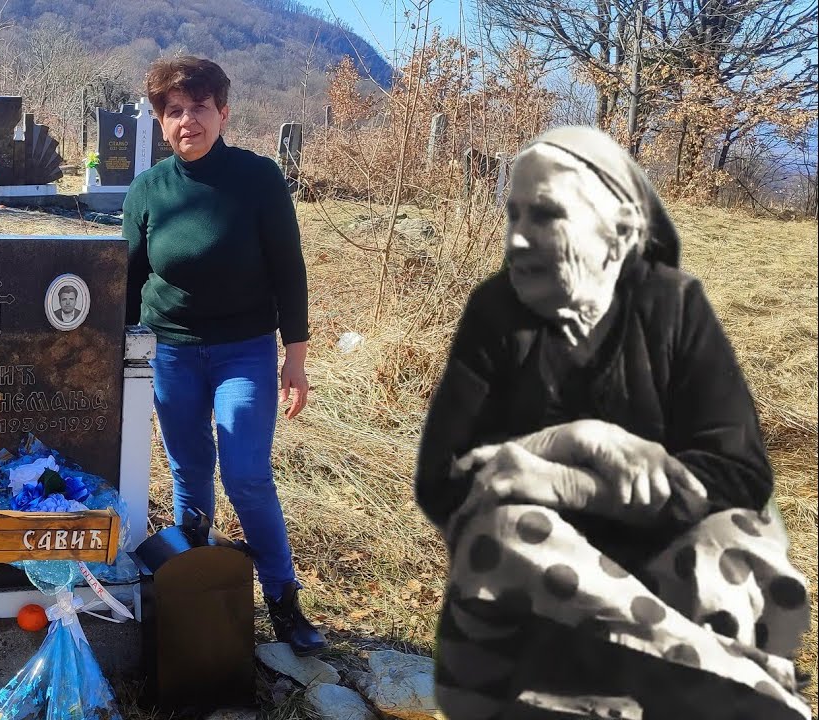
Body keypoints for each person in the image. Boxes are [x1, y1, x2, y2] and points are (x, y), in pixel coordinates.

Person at [416, 126, 810, 718]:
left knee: (739, 540)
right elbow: (442, 481)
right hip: (526, 606)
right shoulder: (495, 315)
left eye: (545, 215)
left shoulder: (675, 308)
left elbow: (739, 471)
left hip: (660, 580)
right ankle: (733, 678)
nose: (518, 238)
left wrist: (574, 483)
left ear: (620, 232)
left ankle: (699, 680)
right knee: (509, 528)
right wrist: (575, 439)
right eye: (514, 213)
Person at [124, 56, 324, 656]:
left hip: (245, 351)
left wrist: (296, 357)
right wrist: (119, 351)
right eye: (175, 111)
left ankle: (283, 601)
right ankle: (197, 597)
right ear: (162, 122)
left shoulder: (257, 179)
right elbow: (129, 278)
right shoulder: (147, 190)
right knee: (188, 474)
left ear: (223, 113)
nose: (189, 121)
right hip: (172, 354)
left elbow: (289, 269)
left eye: (200, 107)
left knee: (245, 474)